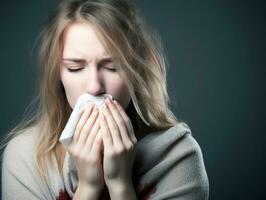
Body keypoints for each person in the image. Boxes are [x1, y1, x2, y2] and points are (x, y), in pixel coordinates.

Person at [1, 0, 209, 199]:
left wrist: (120, 185)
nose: (94, 87)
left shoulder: (177, 156)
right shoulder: (25, 156)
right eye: (75, 68)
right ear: (58, 74)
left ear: (137, 69)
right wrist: (88, 187)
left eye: (112, 67)